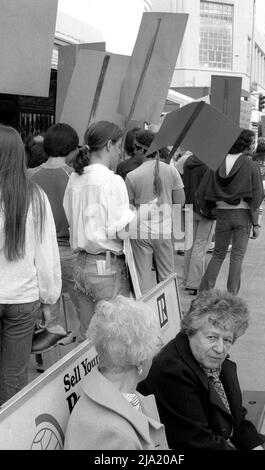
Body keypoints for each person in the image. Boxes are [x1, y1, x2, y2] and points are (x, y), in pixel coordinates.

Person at [138, 289, 265, 450]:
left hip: (220, 438)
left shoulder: (212, 360)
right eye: (211, 337)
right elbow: (197, 442)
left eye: (227, 340)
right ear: (190, 332)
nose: (220, 348)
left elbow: (236, 415)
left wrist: (254, 445)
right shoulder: (172, 372)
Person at [63, 121, 158, 342]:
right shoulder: (111, 180)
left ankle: (91, 376)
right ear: (108, 145)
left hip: (80, 264)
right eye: (117, 147)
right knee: (115, 337)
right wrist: (146, 212)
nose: (119, 153)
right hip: (106, 266)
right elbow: (121, 231)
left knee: (89, 336)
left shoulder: (75, 178)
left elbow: (71, 216)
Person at [0, 125, 61, 404]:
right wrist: (49, 299)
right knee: (14, 376)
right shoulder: (34, 195)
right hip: (23, 299)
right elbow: (46, 254)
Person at [64, 295, 168, 450]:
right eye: (154, 347)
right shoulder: (115, 435)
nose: (155, 355)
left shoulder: (109, 394)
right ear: (139, 360)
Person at [29, 123, 83, 350]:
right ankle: (79, 357)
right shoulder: (75, 177)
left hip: (38, 253)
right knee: (82, 309)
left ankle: (45, 362)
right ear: (72, 149)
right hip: (70, 251)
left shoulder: (29, 176)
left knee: (46, 315)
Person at [196, 129, 264, 295]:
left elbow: (202, 191)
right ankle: (232, 296)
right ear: (246, 145)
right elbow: (256, 196)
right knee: (237, 257)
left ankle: (204, 293)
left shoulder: (216, 163)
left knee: (218, 255)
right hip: (242, 215)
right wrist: (255, 224)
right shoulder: (250, 165)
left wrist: (210, 209)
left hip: (222, 214)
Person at [125, 129, 185, 295]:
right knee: (166, 278)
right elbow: (180, 202)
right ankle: (169, 315)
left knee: (142, 278)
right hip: (164, 231)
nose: (133, 151)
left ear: (142, 149)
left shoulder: (132, 176)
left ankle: (146, 315)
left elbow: (129, 210)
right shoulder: (171, 171)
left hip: (140, 232)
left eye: (135, 147)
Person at [182, 154, 215, 296]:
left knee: (190, 244)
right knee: (201, 245)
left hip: (189, 205)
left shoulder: (187, 161)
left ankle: (187, 279)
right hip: (204, 208)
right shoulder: (210, 164)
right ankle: (194, 282)